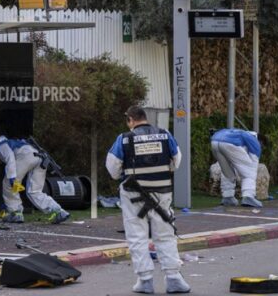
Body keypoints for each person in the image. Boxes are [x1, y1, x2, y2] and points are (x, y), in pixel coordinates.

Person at [106, 106, 190, 294]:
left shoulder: (124, 139)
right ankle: (174, 278)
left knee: (137, 235)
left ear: (130, 120)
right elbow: (176, 160)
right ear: (145, 118)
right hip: (162, 193)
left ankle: (145, 281)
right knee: (165, 234)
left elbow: (112, 169)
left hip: (133, 195)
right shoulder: (164, 134)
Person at [0, 127, 70, 225]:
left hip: (26, 157)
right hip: (41, 158)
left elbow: (10, 159)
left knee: (8, 184)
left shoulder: (0, 146)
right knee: (34, 191)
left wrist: (12, 178)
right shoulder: (17, 142)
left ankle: (15, 212)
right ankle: (58, 211)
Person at [210, 128, 263, 208]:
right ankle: (248, 196)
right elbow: (252, 164)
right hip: (229, 143)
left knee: (227, 171)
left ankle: (228, 196)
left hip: (214, 141)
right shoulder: (255, 142)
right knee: (249, 171)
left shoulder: (241, 134)